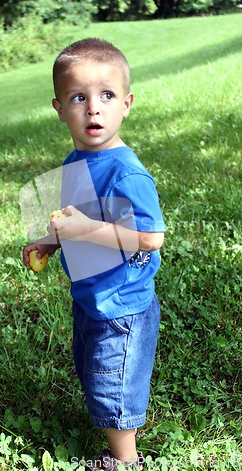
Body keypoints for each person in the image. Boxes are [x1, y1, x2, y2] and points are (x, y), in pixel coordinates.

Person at [22, 38, 165, 471]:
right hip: (91, 295)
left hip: (121, 304)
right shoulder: (76, 159)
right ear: (59, 108)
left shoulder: (126, 170)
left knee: (113, 386)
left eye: (107, 95)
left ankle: (124, 461)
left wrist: (84, 229)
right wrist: (53, 239)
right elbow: (76, 214)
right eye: (78, 97)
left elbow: (151, 236)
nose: (93, 108)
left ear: (127, 103)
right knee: (93, 371)